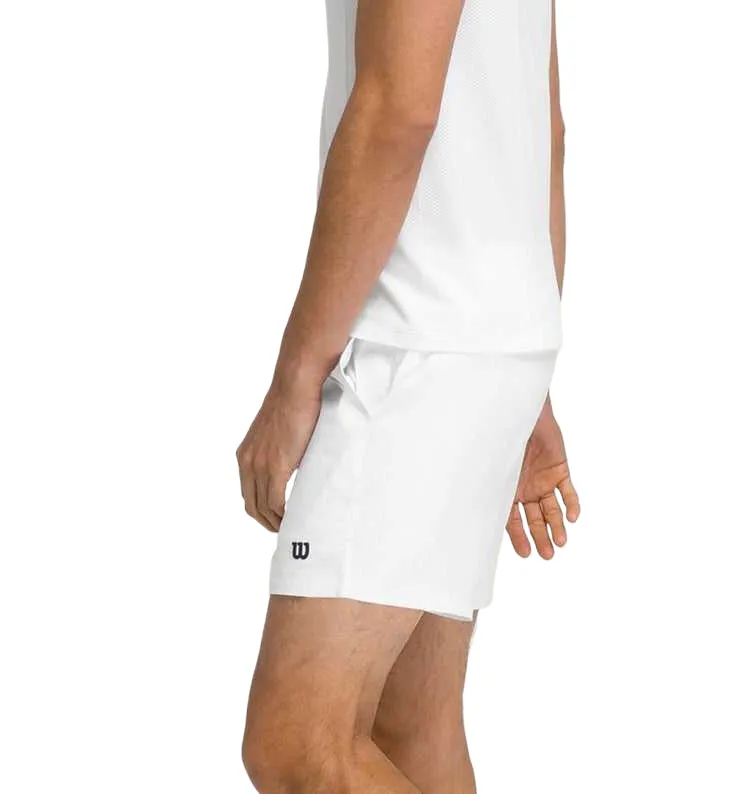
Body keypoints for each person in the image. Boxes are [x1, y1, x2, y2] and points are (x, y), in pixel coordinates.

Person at [236, 1, 580, 791]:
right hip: (475, 334)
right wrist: (524, 373)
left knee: (299, 744)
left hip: (413, 338)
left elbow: (399, 110)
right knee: (409, 732)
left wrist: (295, 380)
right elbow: (545, 128)